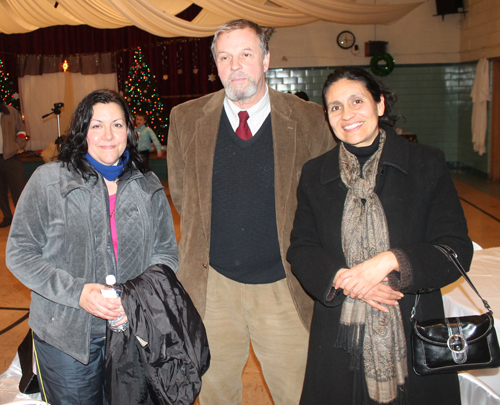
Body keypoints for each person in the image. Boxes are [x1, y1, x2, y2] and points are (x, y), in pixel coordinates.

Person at [167, 19, 335, 405]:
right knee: (213, 391)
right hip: (212, 287)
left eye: (246, 54)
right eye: (224, 57)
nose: (235, 65)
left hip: (284, 285)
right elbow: (182, 195)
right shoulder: (187, 118)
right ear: (216, 65)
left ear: (266, 59)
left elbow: (326, 201)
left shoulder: (309, 119)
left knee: (299, 392)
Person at [287, 67, 473, 404]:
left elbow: (456, 249)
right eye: (335, 107)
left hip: (412, 326)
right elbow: (302, 248)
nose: (347, 115)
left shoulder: (426, 164)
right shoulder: (315, 174)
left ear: (380, 105)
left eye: (357, 101)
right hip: (339, 334)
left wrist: (390, 262)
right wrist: (345, 279)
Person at [6, 89, 179, 405]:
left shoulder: (147, 184)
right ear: (81, 131)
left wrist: (137, 298)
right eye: (96, 125)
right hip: (66, 339)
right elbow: (19, 252)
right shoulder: (49, 181)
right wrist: (77, 293)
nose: (108, 135)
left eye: (116, 124)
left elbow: (166, 252)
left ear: (129, 129)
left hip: (132, 332)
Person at [0, 100, 27, 227]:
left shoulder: (11, 112)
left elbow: (21, 131)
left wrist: (16, 146)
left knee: (19, 188)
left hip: (11, 157)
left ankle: (22, 219)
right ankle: (7, 217)